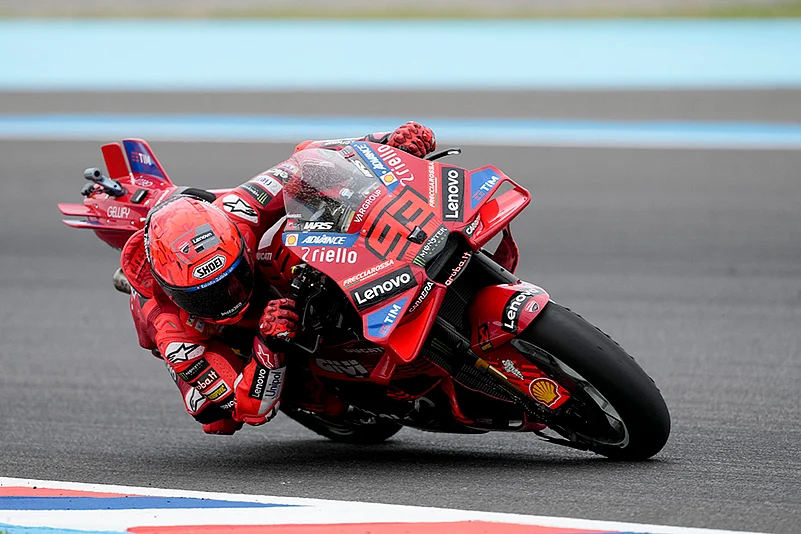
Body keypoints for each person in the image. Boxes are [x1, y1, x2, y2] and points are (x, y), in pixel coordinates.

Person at [119, 122, 437, 435]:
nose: (230, 297)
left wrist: (387, 141)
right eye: (208, 296)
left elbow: (306, 159)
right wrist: (269, 346)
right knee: (215, 415)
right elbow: (251, 410)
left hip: (268, 280)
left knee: (318, 191)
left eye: (234, 278)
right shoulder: (172, 333)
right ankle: (323, 400)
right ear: (173, 294)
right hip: (222, 339)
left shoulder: (239, 211)